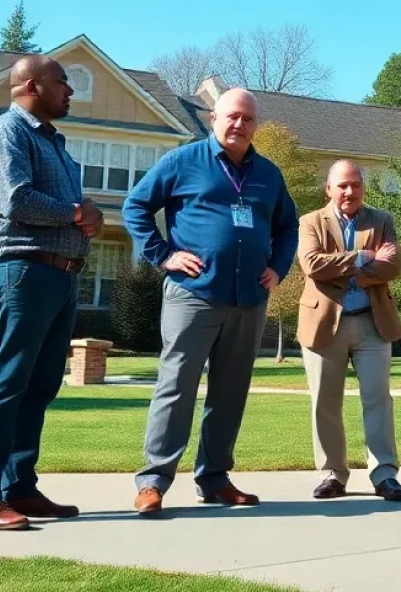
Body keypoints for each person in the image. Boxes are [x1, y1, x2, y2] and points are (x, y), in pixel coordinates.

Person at [123, 87, 298, 514]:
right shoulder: (183, 161)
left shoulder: (268, 174)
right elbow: (136, 207)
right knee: (176, 386)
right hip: (193, 295)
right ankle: (154, 481)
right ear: (214, 119)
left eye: (248, 119)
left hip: (249, 299)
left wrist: (278, 267)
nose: (239, 125)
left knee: (231, 391)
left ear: (256, 125)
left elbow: (288, 226)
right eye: (231, 117)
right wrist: (164, 255)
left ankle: (215, 478)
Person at [0, 56, 104, 531]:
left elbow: (73, 212)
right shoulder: (8, 133)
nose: (69, 90)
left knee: (39, 387)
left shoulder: (55, 144)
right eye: (60, 82)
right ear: (28, 85)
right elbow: (15, 199)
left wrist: (87, 216)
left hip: (59, 277)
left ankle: (17, 487)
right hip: (20, 272)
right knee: (5, 384)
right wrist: (76, 212)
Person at [297, 160, 401, 501]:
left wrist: (349, 272)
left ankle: (385, 474)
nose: (349, 192)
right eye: (342, 185)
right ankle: (332, 474)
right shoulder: (310, 221)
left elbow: (393, 265)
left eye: (355, 185)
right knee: (325, 402)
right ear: (328, 189)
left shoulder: (381, 220)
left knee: (378, 399)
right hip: (323, 324)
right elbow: (312, 265)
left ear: (363, 188)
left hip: (372, 322)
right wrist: (363, 257)